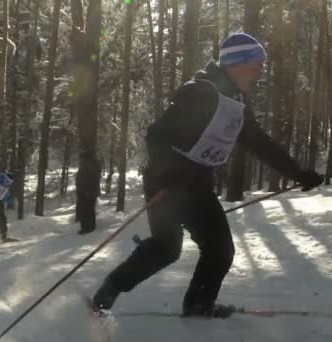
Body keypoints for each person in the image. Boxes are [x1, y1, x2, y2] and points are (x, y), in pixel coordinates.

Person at [91, 33, 325, 318]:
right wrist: (171, 173)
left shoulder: (234, 106)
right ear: (237, 64)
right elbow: (156, 136)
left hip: (197, 186)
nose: (260, 72)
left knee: (219, 250)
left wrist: (298, 173)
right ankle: (110, 289)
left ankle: (199, 305)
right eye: (256, 66)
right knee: (167, 248)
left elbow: (260, 144)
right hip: (167, 183)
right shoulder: (201, 93)